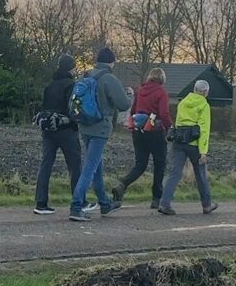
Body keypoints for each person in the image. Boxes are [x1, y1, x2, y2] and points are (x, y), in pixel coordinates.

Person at [69, 46, 131, 222]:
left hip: (84, 126)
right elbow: (123, 105)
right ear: (111, 62)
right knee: (90, 167)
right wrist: (130, 96)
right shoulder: (109, 78)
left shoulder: (86, 75)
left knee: (96, 165)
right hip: (100, 128)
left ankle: (104, 203)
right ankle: (76, 206)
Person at [112, 67, 172, 209]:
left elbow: (133, 111)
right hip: (155, 132)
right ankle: (156, 198)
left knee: (140, 165)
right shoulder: (161, 92)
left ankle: (123, 184)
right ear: (162, 79)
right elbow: (164, 114)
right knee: (159, 164)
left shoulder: (140, 91)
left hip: (139, 132)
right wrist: (170, 127)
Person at [157, 79, 218, 216]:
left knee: (174, 173)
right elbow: (204, 129)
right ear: (205, 92)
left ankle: (164, 203)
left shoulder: (183, 102)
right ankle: (207, 204)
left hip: (179, 142)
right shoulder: (204, 105)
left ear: (194, 89)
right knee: (200, 174)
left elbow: (178, 122)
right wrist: (203, 151)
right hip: (195, 144)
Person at [33, 54, 81, 215]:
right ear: (71, 68)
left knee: (46, 164)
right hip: (66, 130)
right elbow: (73, 109)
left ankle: (41, 202)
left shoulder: (49, 86)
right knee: (75, 166)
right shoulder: (71, 85)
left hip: (48, 130)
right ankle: (78, 200)